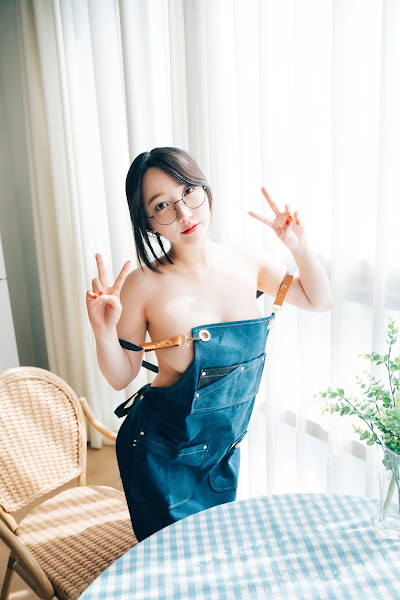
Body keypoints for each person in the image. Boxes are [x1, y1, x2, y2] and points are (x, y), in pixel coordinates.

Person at [86, 146, 334, 541]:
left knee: (217, 554)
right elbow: (121, 377)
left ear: (205, 190)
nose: (184, 212)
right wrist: (103, 330)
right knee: (177, 562)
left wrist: (299, 248)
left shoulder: (246, 261)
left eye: (188, 191)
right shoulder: (142, 285)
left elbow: (319, 300)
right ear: (149, 222)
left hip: (222, 449)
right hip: (161, 453)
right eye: (162, 205)